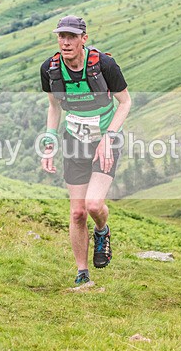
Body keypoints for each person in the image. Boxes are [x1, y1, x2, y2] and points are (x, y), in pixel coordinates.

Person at [40, 15, 131, 287]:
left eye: (72, 36)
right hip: (74, 142)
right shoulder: (50, 69)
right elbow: (54, 107)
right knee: (77, 212)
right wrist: (49, 142)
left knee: (93, 205)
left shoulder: (104, 65)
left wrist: (109, 137)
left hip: (105, 141)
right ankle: (82, 274)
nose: (66, 42)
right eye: (61, 36)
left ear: (84, 39)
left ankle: (102, 230)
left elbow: (125, 102)